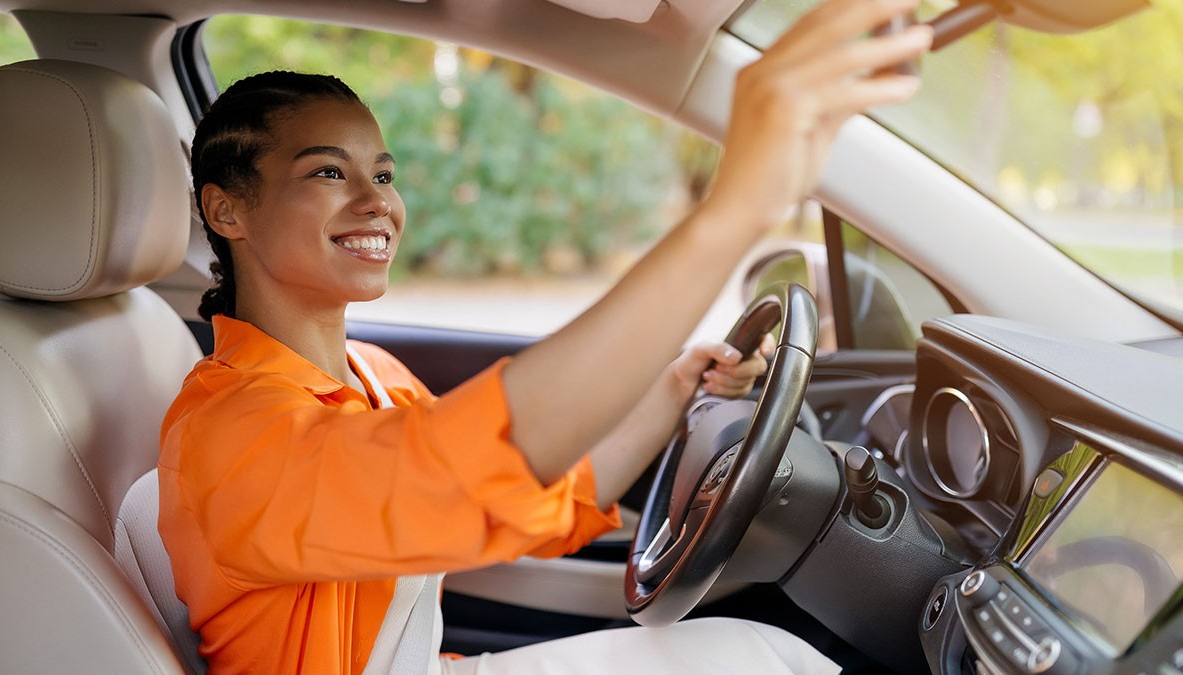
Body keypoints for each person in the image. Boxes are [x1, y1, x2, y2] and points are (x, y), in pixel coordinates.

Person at [158, 0, 932, 672]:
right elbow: (462, 468)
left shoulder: (367, 371)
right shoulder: (228, 437)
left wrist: (673, 391)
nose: (376, 203)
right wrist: (734, 211)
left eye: (384, 175)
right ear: (228, 212)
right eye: (329, 173)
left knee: (758, 651)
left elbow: (526, 494)